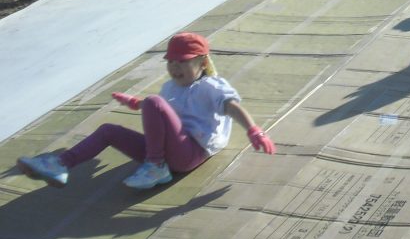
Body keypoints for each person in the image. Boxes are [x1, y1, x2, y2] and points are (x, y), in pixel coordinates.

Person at [16, 32, 275, 191]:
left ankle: (155, 166)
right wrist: (135, 103)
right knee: (109, 130)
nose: (175, 67)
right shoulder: (170, 87)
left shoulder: (209, 86)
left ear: (202, 62)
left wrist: (253, 129)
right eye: (171, 62)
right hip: (166, 151)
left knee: (153, 102)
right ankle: (61, 163)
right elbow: (162, 112)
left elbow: (231, 107)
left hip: (192, 152)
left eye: (182, 61)